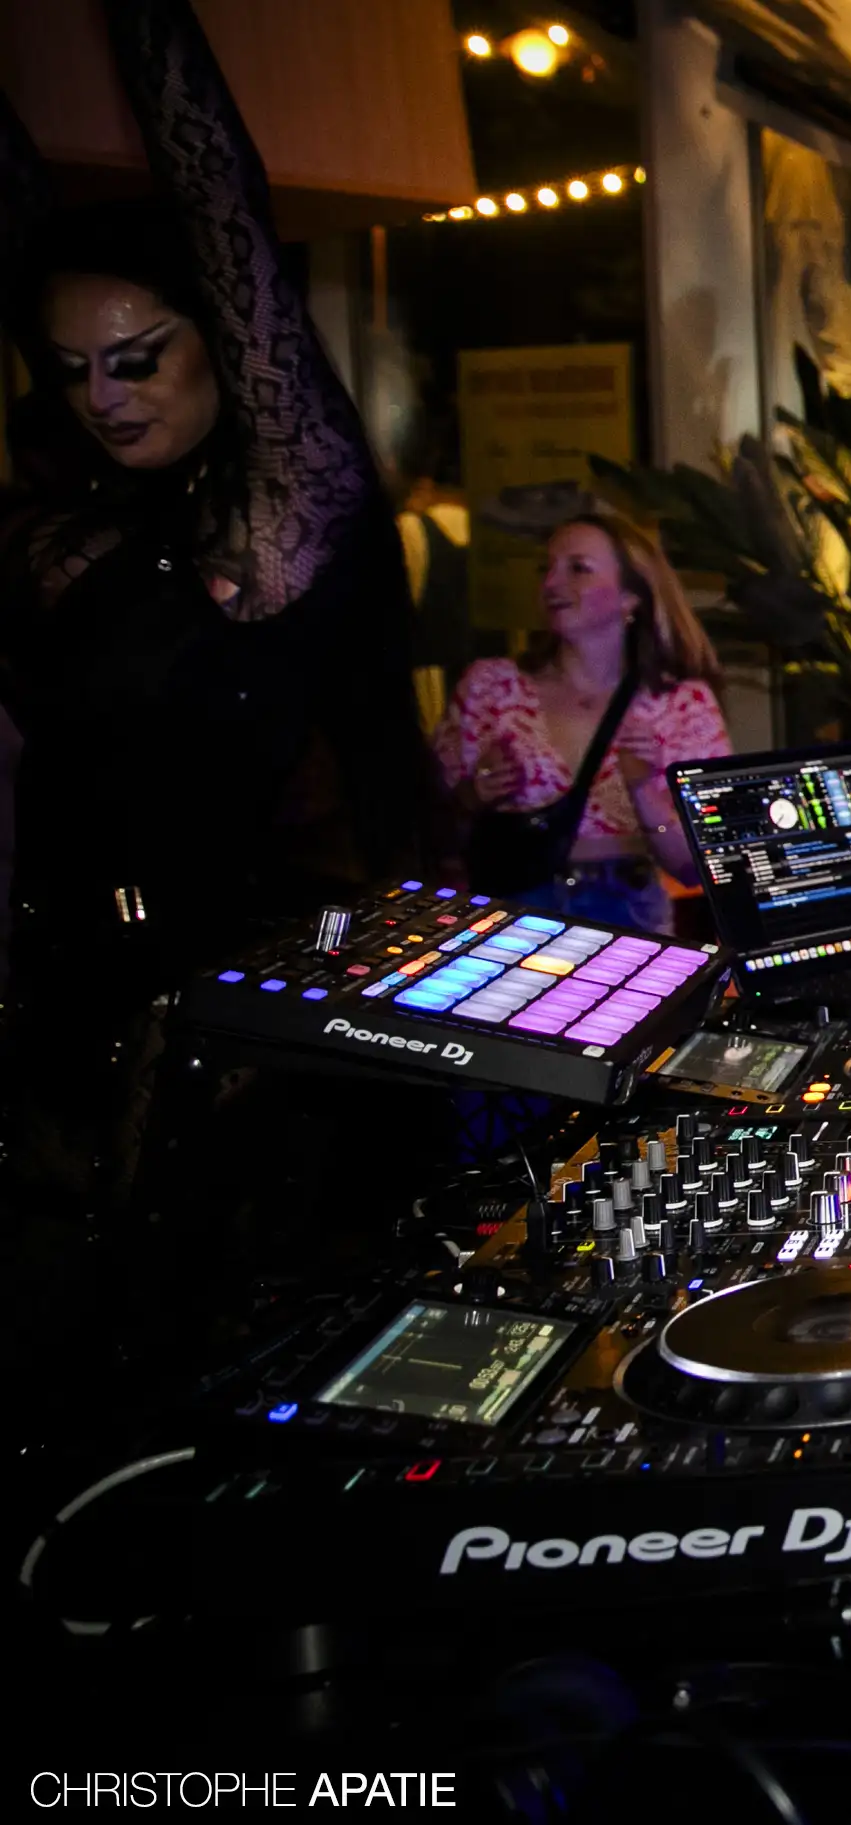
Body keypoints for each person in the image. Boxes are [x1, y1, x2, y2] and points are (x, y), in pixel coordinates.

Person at [0, 0, 421, 1211]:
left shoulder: (286, 505)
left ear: (220, 345)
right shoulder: (68, 526)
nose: (103, 395)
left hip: (275, 1016)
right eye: (73, 369)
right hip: (69, 986)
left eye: (138, 358)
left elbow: (218, 198)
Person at [433, 511, 729, 932]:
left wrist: (644, 792)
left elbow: (694, 868)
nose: (552, 583)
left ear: (630, 597)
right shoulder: (492, 687)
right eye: (547, 568)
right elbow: (428, 831)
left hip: (626, 911)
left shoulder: (680, 703)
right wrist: (472, 795)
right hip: (511, 908)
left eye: (578, 568)